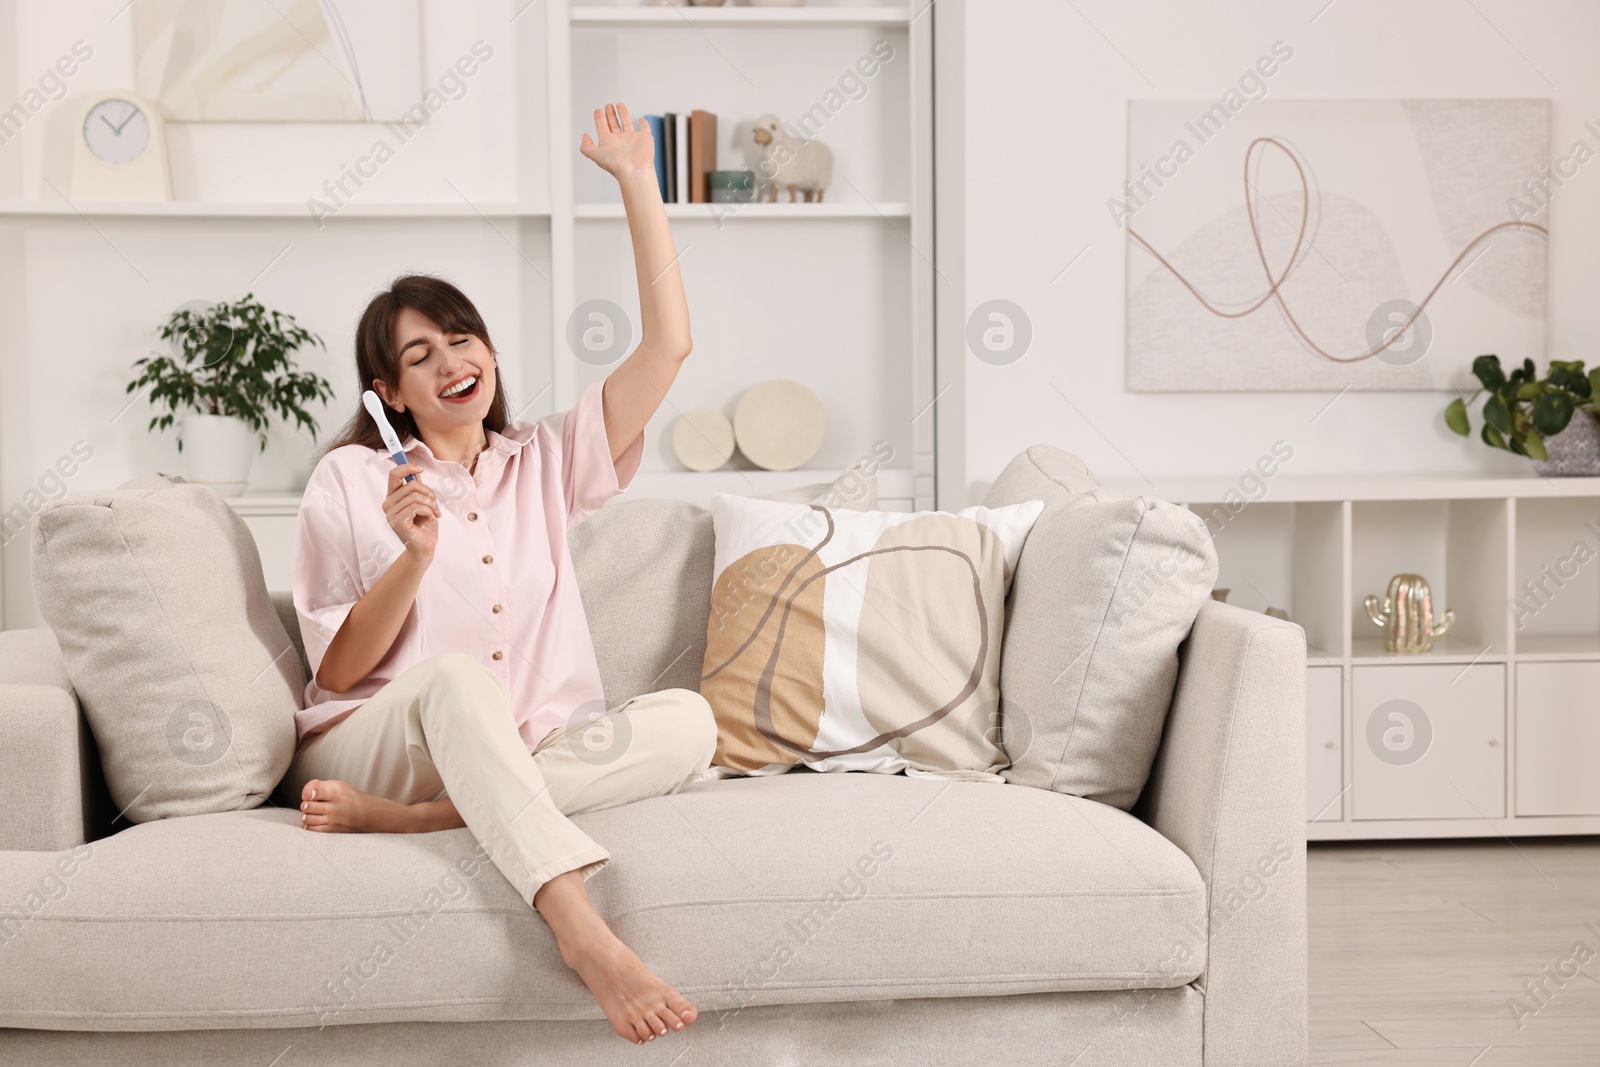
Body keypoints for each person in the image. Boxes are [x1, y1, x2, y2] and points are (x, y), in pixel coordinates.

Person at [281, 104, 710, 1047]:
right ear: (389, 394)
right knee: (458, 676)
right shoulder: (352, 479)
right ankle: (580, 928)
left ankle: (417, 822)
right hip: (375, 737)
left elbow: (669, 346)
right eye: (419, 356)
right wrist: (413, 560)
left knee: (690, 721)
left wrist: (639, 182)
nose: (451, 362)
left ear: (490, 354)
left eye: (462, 338)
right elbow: (342, 674)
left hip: (504, 753)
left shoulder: (548, 459)